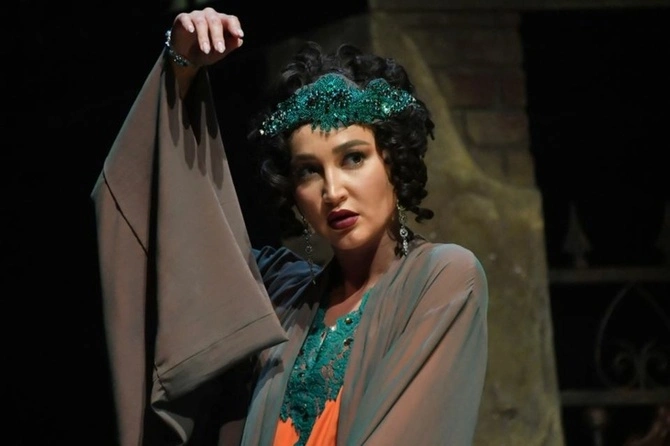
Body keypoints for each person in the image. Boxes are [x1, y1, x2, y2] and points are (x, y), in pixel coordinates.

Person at [91, 6, 489, 446]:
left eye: (353, 158)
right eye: (308, 171)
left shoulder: (442, 277)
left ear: (393, 161)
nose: (332, 191)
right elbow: (156, 233)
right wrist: (180, 68)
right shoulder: (279, 298)